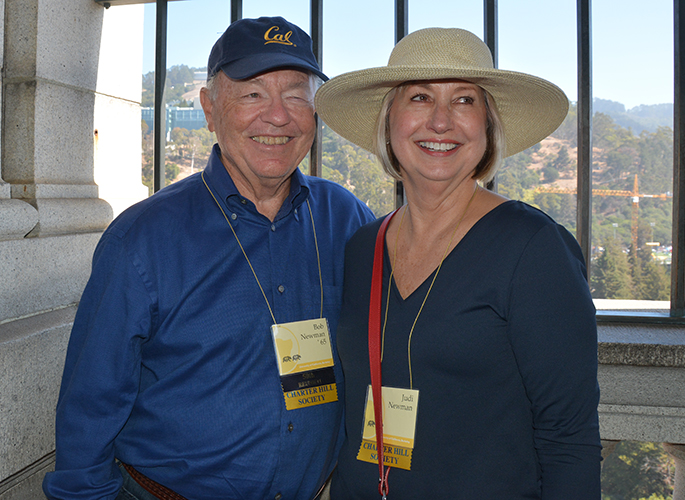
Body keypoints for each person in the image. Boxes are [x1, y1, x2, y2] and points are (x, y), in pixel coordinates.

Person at [43, 16, 373, 500]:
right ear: (210, 108)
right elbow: (90, 406)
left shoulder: (346, 218)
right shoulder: (141, 239)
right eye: (253, 94)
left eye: (297, 94)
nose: (278, 116)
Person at [314, 27, 601, 499]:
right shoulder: (362, 246)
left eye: (465, 101)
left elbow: (569, 440)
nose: (441, 122)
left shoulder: (534, 249)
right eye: (421, 98)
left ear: (487, 127)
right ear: (390, 123)